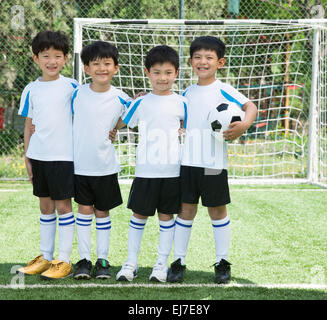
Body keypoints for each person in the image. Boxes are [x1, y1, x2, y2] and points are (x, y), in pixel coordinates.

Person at [167, 36, 258, 284]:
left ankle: (222, 261)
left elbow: (251, 106)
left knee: (217, 211)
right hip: (188, 163)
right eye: (198, 57)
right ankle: (178, 262)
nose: (203, 62)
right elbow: (180, 116)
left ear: (220, 62)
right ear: (190, 61)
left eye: (209, 57)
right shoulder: (186, 92)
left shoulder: (224, 89)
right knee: (185, 211)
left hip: (213, 164)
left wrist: (244, 125)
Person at [115, 45, 187, 282]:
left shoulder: (182, 102)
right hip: (146, 171)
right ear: (147, 73)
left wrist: (186, 129)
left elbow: (190, 125)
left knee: (167, 217)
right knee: (138, 216)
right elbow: (123, 122)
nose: (162, 78)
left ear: (176, 72)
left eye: (168, 72)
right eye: (157, 72)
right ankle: (131, 263)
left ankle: (160, 265)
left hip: (172, 171)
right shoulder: (141, 102)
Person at [17, 30, 78, 280]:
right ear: (35, 58)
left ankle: (63, 260)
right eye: (45, 56)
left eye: (57, 56)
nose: (51, 61)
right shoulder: (31, 89)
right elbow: (29, 124)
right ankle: (45, 256)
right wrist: (27, 155)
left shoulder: (73, 87)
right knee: (45, 205)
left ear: (65, 59)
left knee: (63, 206)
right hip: (39, 156)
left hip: (64, 156)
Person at [71, 41, 130, 280]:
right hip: (79, 164)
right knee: (84, 210)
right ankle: (84, 259)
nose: (102, 68)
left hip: (105, 165)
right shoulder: (77, 93)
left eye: (107, 63)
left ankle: (102, 260)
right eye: (96, 64)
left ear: (115, 68)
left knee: (102, 211)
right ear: (86, 68)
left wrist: (114, 127)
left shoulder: (121, 97)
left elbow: (132, 115)